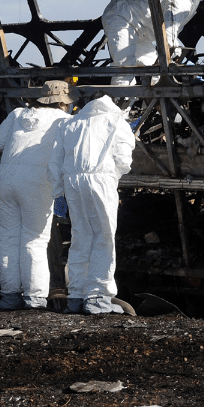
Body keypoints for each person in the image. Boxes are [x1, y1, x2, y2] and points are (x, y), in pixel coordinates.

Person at [48, 94, 136, 314]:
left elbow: (55, 161)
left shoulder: (71, 122)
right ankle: (97, 297)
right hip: (101, 180)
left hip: (72, 182)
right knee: (103, 237)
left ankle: (76, 295)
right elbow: (124, 160)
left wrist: (59, 191)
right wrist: (111, 175)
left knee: (81, 236)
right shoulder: (115, 121)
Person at [0, 80, 73, 310]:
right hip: (37, 181)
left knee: (7, 239)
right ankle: (34, 298)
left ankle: (9, 296)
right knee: (34, 240)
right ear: (62, 101)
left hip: (5, 177)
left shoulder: (17, 114)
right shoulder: (64, 120)